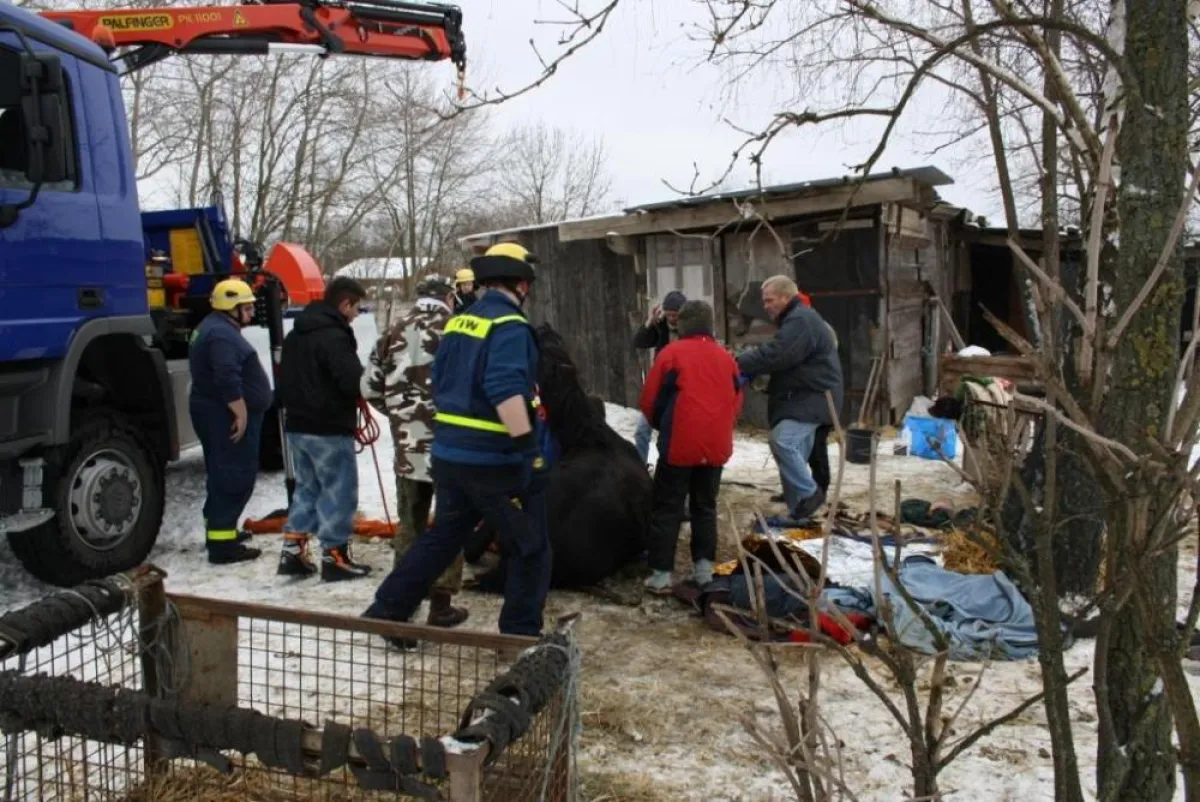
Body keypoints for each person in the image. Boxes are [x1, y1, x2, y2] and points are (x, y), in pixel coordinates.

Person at [364, 242, 551, 643]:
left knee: (443, 536)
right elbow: (504, 389)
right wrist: (529, 451)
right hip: (493, 461)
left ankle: (388, 609)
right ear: (522, 283)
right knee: (531, 546)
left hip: (448, 455)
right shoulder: (509, 327)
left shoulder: (460, 322)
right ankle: (519, 637)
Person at [362, 273, 469, 628]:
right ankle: (441, 604)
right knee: (449, 525)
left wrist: (399, 417)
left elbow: (370, 386)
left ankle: (401, 607)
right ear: (447, 298)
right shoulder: (457, 329)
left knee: (410, 524)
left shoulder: (391, 332)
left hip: (408, 447)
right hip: (450, 446)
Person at [639, 300, 742, 593]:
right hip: (716, 446)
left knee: (667, 506)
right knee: (705, 507)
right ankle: (704, 571)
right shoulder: (727, 358)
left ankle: (661, 574)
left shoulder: (671, 355)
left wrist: (664, 424)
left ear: (682, 324)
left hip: (680, 444)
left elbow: (650, 400)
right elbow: (736, 401)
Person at [275, 276, 372, 582]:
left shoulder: (297, 333)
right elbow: (351, 380)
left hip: (298, 426)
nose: (357, 314)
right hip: (328, 427)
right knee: (338, 490)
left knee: (308, 488)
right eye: (357, 307)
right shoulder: (334, 336)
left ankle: (293, 550)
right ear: (345, 304)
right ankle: (335, 556)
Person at [737, 275, 843, 521]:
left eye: (769, 300)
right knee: (793, 455)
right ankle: (800, 513)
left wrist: (738, 363)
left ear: (786, 297)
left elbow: (777, 354)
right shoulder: (795, 320)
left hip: (813, 398)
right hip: (802, 398)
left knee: (782, 441)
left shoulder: (801, 320)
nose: (766, 306)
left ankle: (810, 494)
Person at [188, 278, 274, 565]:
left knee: (222, 472)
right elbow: (226, 375)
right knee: (234, 476)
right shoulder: (221, 336)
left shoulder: (213, 327)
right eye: (247, 309)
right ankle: (223, 546)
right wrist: (240, 411)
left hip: (213, 411)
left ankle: (220, 530)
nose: (251, 314)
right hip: (223, 416)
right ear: (231, 308)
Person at [631, 290, 686, 464]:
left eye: (676, 315)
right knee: (641, 430)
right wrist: (649, 323)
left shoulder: (692, 329)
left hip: (682, 389)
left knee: (674, 435)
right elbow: (640, 343)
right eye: (669, 315)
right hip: (661, 386)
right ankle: (640, 467)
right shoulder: (661, 326)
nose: (672, 319)